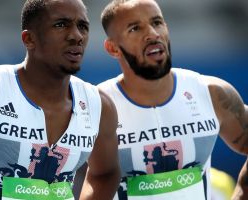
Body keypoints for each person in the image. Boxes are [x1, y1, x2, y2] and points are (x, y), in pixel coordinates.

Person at [0, 0, 120, 199]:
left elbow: (106, 174)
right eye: (61, 24)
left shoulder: (99, 105)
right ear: (29, 38)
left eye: (83, 26)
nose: (76, 36)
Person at [97, 0, 248, 199]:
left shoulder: (211, 92)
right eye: (135, 28)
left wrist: (241, 193)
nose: (152, 33)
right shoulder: (94, 106)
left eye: (157, 22)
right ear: (113, 48)